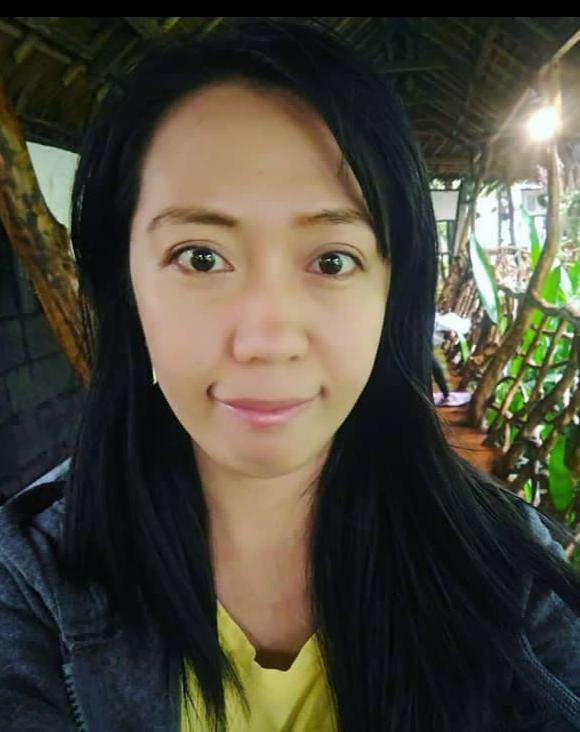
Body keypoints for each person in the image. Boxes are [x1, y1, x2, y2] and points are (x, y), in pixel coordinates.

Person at [2, 18, 580, 732]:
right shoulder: (28, 585)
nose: (267, 341)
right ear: (126, 288)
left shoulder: (512, 573)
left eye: (332, 260)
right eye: (201, 257)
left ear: (393, 291)